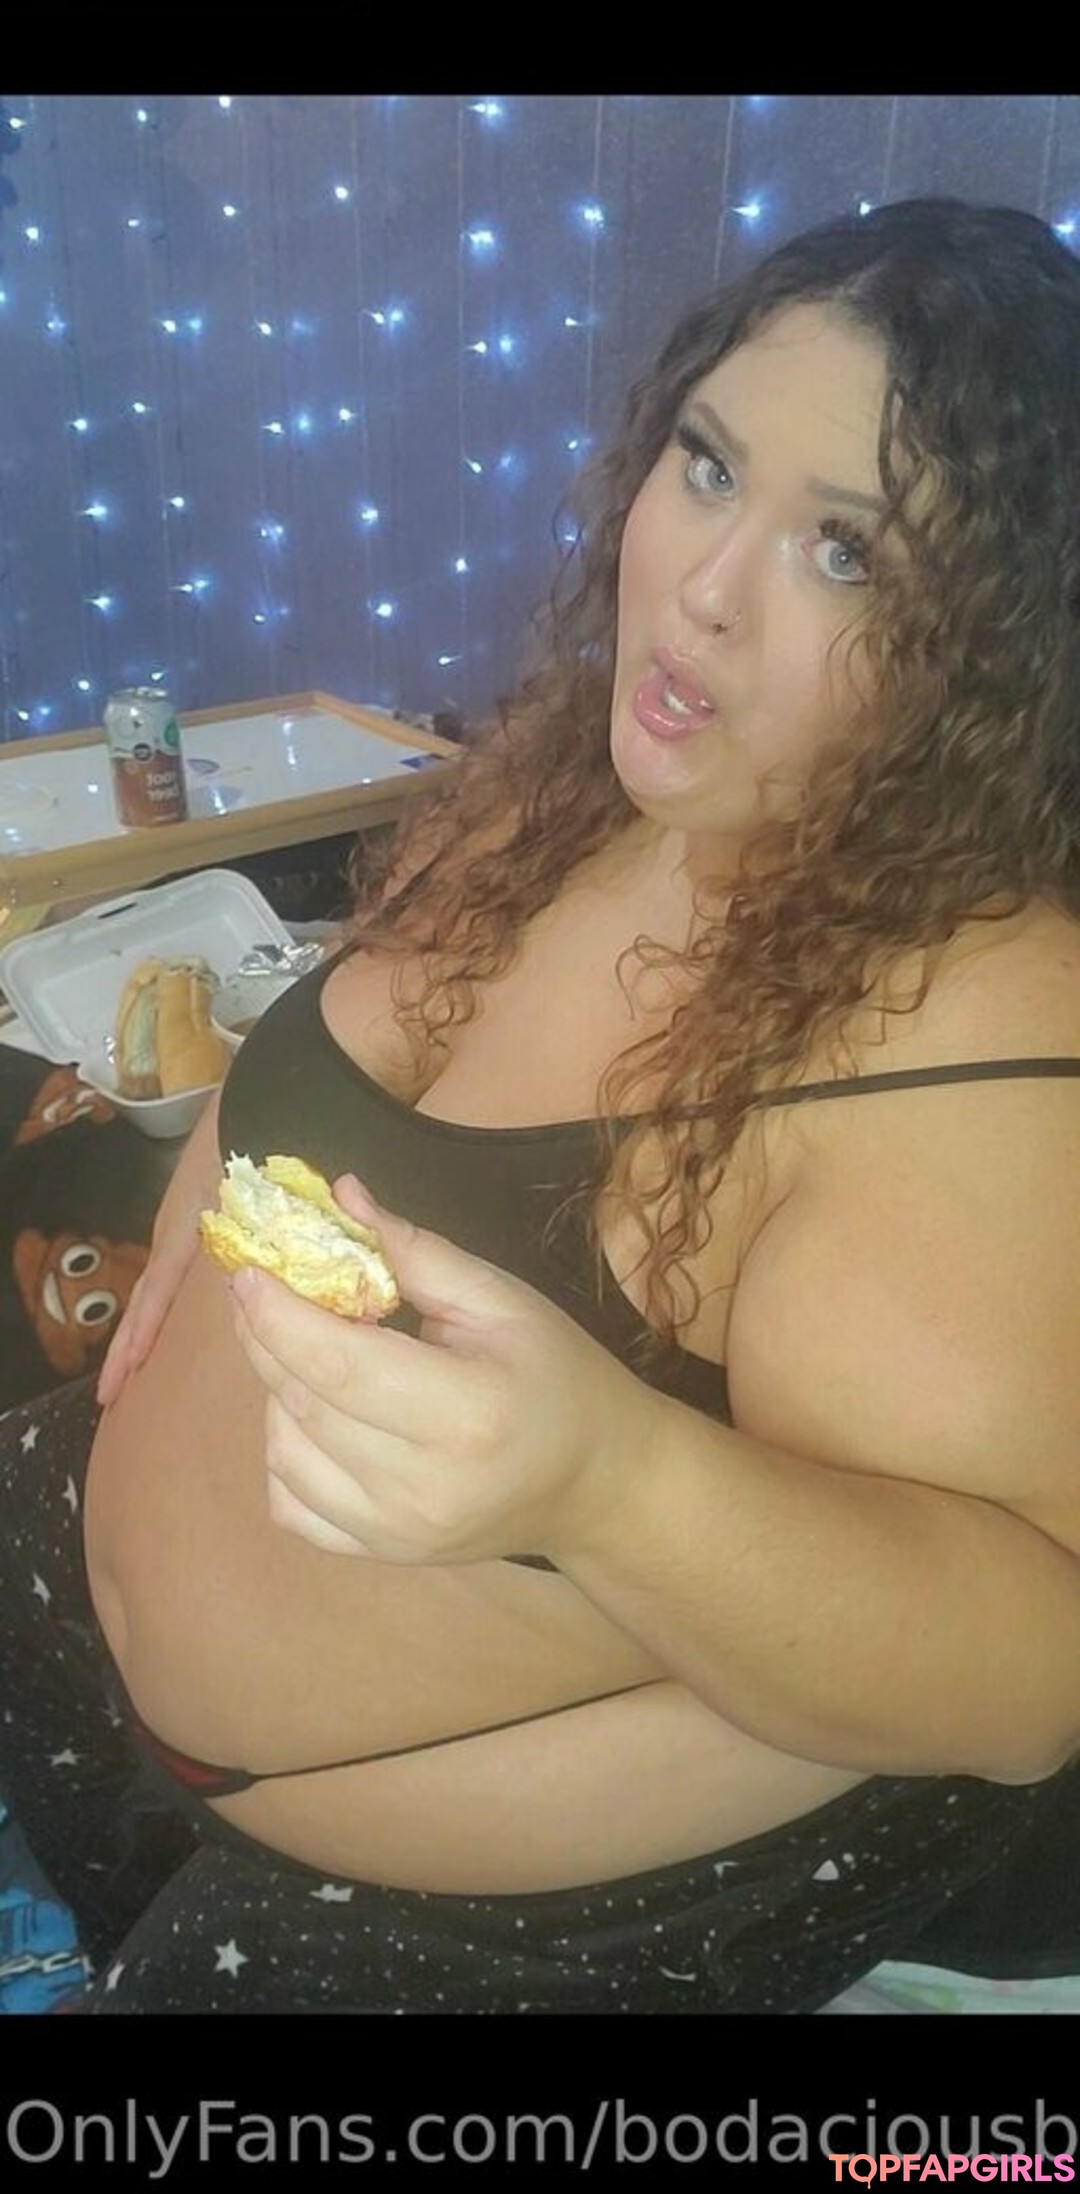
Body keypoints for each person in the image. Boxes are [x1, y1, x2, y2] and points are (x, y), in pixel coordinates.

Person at [2, 194, 1080, 2016]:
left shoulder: (979, 1029)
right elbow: (325, 1041)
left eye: (847, 553)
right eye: (708, 463)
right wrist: (205, 1184)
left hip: (415, 1887)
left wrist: (608, 1477)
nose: (708, 587)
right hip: (98, 1611)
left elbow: (1029, 1672)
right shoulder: (581, 772)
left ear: (1002, 650)